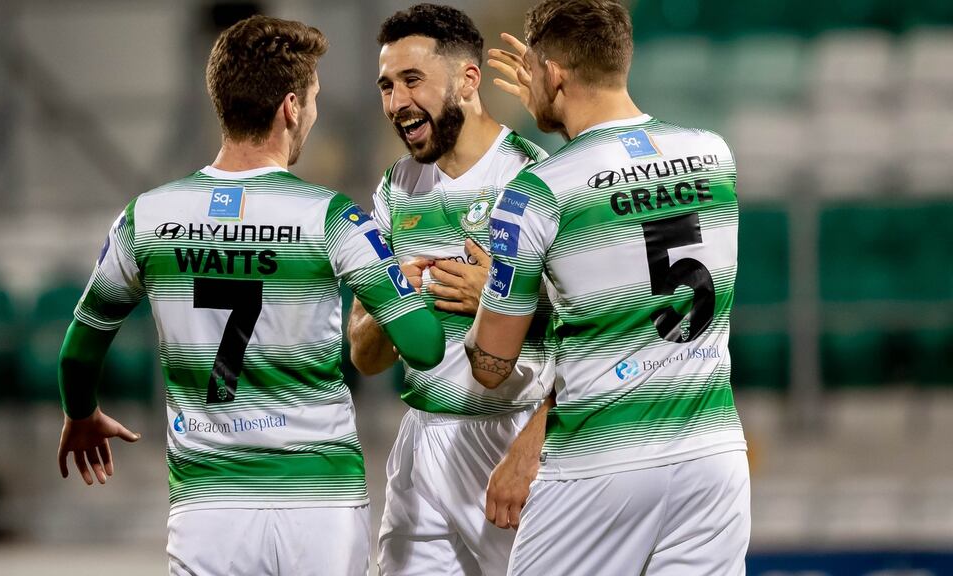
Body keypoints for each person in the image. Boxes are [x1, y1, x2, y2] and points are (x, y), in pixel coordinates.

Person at [55, 15, 444, 576]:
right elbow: (425, 346)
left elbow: (77, 351)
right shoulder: (331, 216)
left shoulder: (146, 218)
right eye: (313, 99)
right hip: (320, 507)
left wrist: (81, 412)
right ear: (291, 107)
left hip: (208, 510)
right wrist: (408, 284)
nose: (314, 114)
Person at [468, 0, 750, 574]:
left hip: (599, 465)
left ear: (552, 74)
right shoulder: (714, 153)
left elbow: (490, 366)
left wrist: (491, 296)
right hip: (712, 456)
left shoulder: (536, 193)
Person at [346, 4, 554, 575]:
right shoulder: (395, 187)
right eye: (387, 86)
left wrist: (506, 298)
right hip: (421, 441)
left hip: (512, 434)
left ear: (467, 80)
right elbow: (364, 357)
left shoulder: (533, 177)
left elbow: (591, 331)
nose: (396, 102)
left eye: (412, 80)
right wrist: (392, 304)